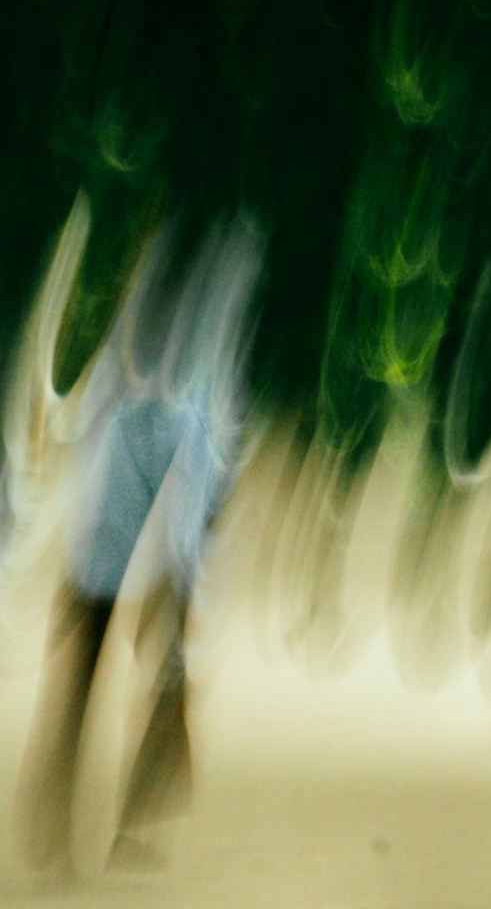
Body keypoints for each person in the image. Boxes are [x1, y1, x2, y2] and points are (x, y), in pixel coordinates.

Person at [15, 222, 259, 885]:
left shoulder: (224, 244)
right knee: (109, 641)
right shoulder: (217, 242)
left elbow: (217, 372)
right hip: (152, 428)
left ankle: (87, 823)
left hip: (163, 429)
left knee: (126, 645)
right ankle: (65, 824)